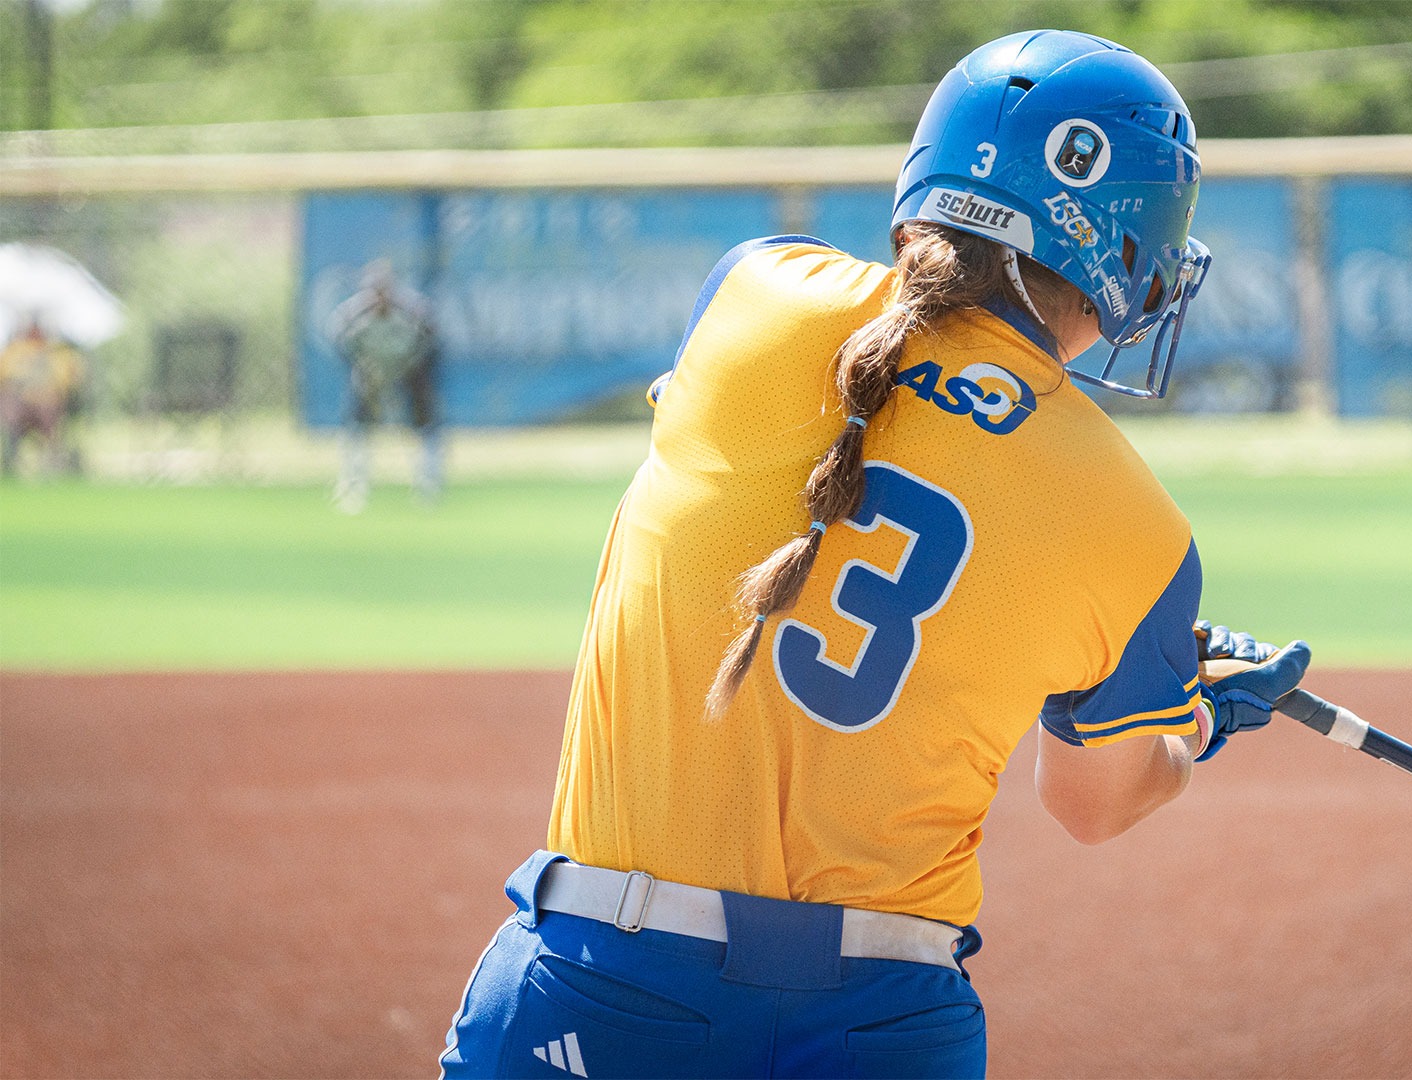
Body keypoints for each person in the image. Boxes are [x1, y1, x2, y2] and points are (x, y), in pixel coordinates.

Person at [440, 29, 1310, 1079]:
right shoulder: (1139, 527)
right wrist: (1199, 712)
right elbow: (1096, 801)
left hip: (598, 979)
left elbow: (810, 496)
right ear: (1131, 250)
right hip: (879, 1019)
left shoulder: (753, 295)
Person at [326, 259, 442, 512]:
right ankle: (353, 488)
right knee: (356, 423)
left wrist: (412, 366)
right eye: (374, 290)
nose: (380, 296)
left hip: (408, 369)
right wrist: (363, 367)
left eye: (384, 289)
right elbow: (338, 340)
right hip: (371, 371)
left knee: (425, 422)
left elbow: (432, 339)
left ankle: (428, 485)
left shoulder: (413, 310)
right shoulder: (353, 313)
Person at [0, 315, 87, 478]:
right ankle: (13, 459)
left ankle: (53, 461)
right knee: (11, 406)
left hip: (49, 406)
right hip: (21, 406)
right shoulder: (15, 351)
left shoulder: (57, 353)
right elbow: (5, 379)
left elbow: (70, 380)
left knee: (49, 409)